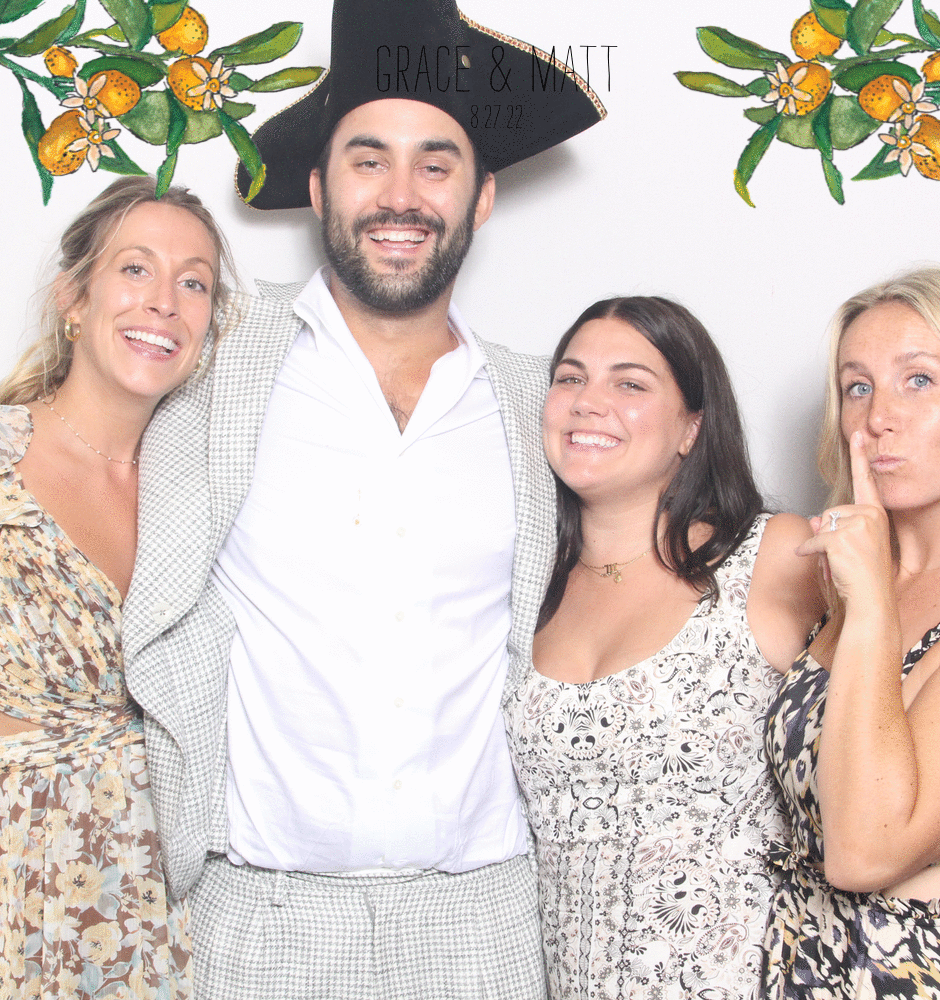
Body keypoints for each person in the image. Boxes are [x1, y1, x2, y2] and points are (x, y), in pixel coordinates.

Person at [121, 1, 605, 997]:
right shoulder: (209, 375)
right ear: (317, 186)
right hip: (259, 924)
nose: (400, 195)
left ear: (482, 198)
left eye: (436, 164)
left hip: (483, 926)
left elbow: (661, 560)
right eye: (367, 159)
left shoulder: (544, 408)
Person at [504, 296, 824, 999]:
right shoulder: (525, 582)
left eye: (630, 383)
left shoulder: (774, 555)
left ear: (692, 428)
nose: (589, 402)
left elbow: (911, 703)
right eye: (570, 377)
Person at [0, 176, 232, 997]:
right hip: (17, 882)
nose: (164, 300)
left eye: (194, 283)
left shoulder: (207, 497)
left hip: (156, 901)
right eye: (136, 269)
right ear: (74, 298)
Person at [763, 265, 940, 997]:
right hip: (806, 967)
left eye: (918, 380)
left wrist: (869, 604)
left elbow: (863, 854)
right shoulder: (840, 579)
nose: (877, 418)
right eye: (858, 386)